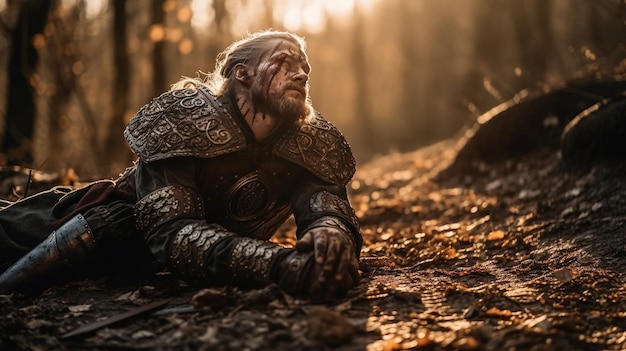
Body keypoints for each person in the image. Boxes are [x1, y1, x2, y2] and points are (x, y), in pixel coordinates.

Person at [0, 30, 362, 299]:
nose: (301, 75)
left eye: (304, 69)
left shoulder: (311, 143)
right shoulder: (182, 120)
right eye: (285, 62)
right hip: (89, 227)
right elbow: (174, 234)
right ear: (242, 73)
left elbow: (326, 209)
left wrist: (328, 237)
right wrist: (279, 266)